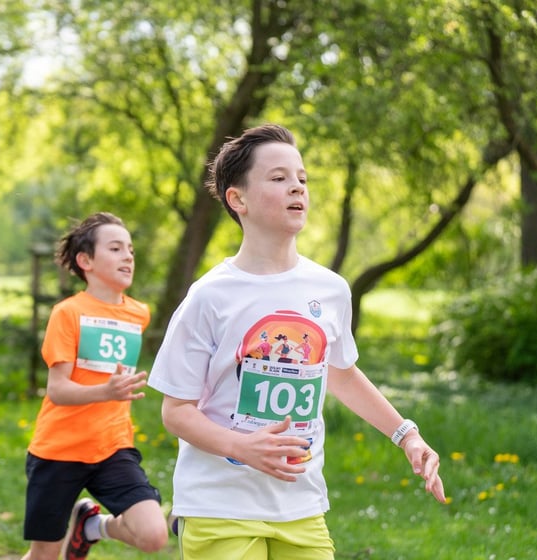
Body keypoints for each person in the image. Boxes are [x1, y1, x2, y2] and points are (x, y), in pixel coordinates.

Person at [148, 124, 446, 559]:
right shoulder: (210, 296)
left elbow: (342, 375)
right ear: (238, 199)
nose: (297, 187)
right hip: (219, 505)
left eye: (302, 178)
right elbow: (176, 411)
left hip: (300, 505)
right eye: (278, 177)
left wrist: (407, 436)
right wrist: (240, 447)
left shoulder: (331, 289)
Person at [22, 212, 168, 560]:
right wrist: (106, 392)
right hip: (59, 451)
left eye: (130, 250)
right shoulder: (68, 313)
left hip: (112, 448)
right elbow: (57, 390)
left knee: (153, 535)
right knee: (44, 556)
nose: (127, 256)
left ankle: (91, 527)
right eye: (115, 249)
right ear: (85, 261)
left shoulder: (139, 313)